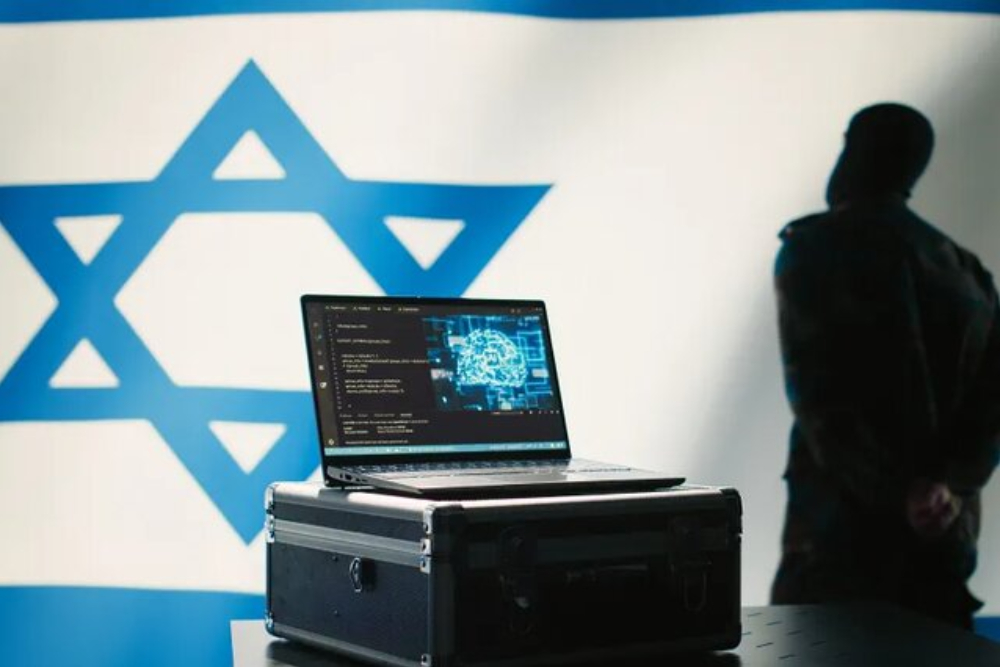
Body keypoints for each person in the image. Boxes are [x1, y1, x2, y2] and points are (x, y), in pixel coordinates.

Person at [771, 103, 1000, 629]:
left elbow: (821, 404)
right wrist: (944, 487)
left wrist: (900, 495)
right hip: (941, 546)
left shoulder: (811, 250)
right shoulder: (966, 272)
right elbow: (992, 405)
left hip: (838, 549)